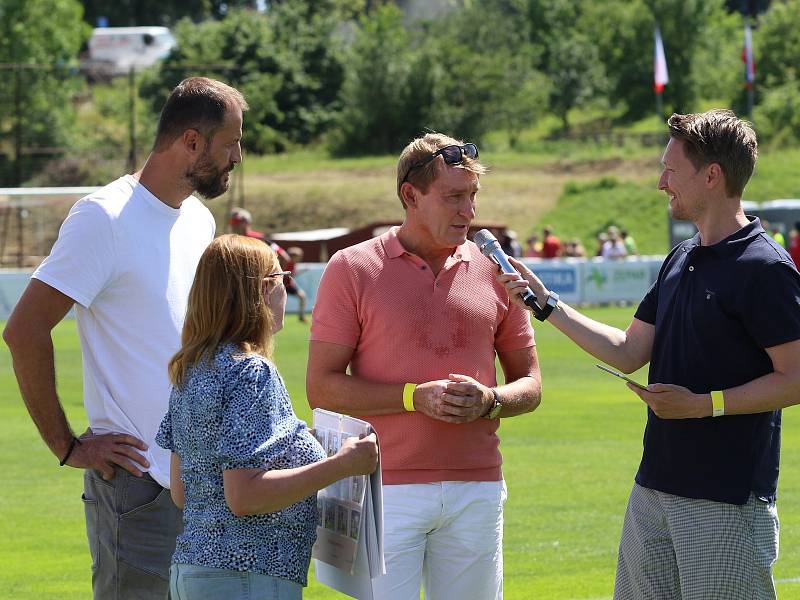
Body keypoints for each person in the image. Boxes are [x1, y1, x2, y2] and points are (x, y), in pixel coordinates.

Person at [498, 109, 800, 600]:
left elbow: (796, 377)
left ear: (711, 175)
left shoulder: (764, 268)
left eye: (670, 170)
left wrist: (704, 404)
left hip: (725, 500)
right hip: (653, 488)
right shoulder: (681, 257)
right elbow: (627, 351)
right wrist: (546, 303)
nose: (661, 183)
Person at [3, 76, 247, 599]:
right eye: (231, 143)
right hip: (139, 488)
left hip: (201, 481)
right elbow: (23, 331)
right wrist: (67, 447)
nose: (238, 157)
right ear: (191, 142)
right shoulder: (103, 217)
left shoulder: (199, 221)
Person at [306, 132, 541, 600]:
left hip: (477, 488)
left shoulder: (495, 270)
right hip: (383, 489)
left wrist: (490, 402)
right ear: (410, 195)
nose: (468, 212)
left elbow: (531, 385)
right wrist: (416, 397)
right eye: (454, 197)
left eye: (472, 196)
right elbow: (322, 388)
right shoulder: (352, 268)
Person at [156, 234, 378, 600]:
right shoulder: (251, 372)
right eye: (281, 279)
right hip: (247, 576)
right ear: (261, 290)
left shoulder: (192, 369)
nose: (285, 290)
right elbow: (244, 496)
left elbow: (183, 491)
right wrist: (343, 464)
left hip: (193, 572)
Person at [285, 246, 308, 323]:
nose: (300, 258)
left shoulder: (293, 264)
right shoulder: (285, 263)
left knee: (302, 296)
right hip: (283, 285)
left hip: (289, 285)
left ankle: (301, 317)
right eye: (299, 256)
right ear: (293, 256)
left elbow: (291, 275)